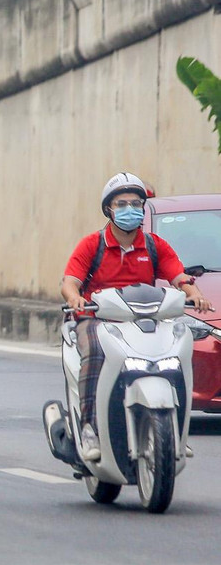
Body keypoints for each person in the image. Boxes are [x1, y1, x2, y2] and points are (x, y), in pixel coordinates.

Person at [61, 173, 212, 461]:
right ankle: (89, 428)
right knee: (94, 353)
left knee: (178, 355)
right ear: (109, 209)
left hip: (145, 319)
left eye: (136, 204)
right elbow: (70, 282)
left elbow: (179, 275)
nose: (129, 209)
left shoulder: (155, 245)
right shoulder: (92, 245)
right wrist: (75, 297)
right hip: (98, 320)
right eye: (122, 204)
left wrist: (194, 293)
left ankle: (177, 432)